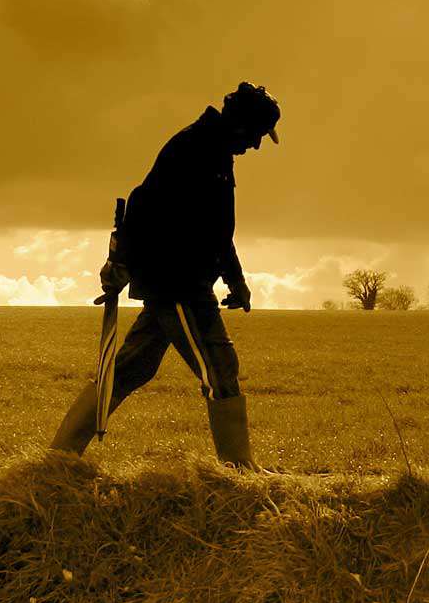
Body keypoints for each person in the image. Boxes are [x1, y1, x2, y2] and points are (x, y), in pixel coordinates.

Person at [50, 82, 281, 467]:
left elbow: (218, 230)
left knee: (129, 369)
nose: (257, 145)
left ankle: (58, 458)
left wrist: (235, 279)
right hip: (178, 283)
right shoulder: (194, 147)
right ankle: (239, 473)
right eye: (258, 135)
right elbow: (141, 205)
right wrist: (120, 261)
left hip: (180, 280)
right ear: (243, 125)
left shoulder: (217, 152)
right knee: (220, 367)